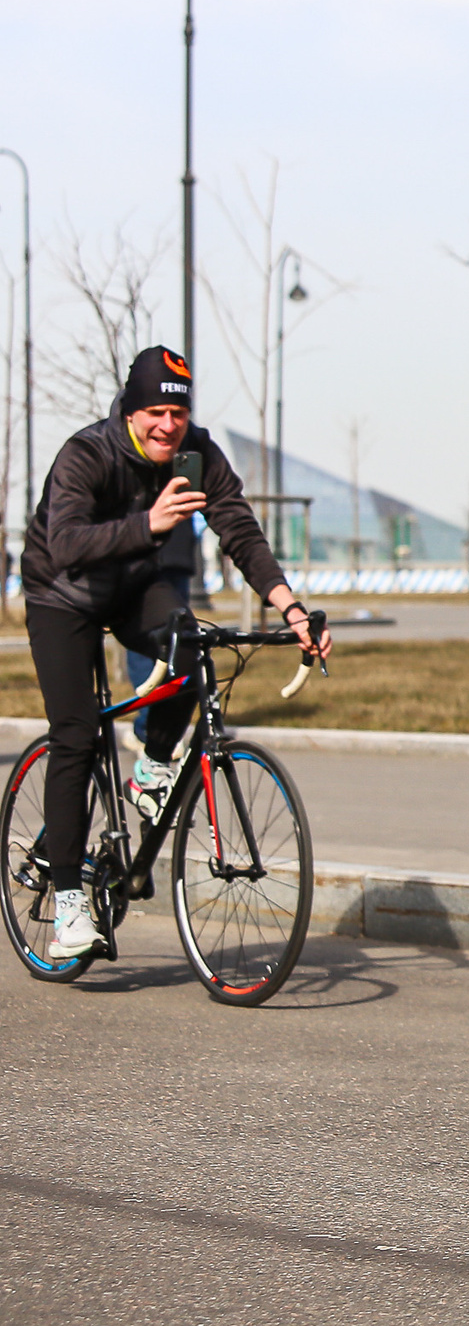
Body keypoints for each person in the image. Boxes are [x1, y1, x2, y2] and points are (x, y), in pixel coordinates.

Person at [20, 347, 331, 958]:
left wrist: (291, 608)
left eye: (178, 412)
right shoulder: (87, 453)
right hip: (62, 596)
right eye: (157, 411)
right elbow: (65, 544)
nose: (169, 425)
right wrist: (151, 525)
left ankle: (151, 767)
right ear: (133, 411)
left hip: (134, 587)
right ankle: (70, 908)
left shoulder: (198, 455)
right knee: (78, 737)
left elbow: (239, 530)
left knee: (196, 645)